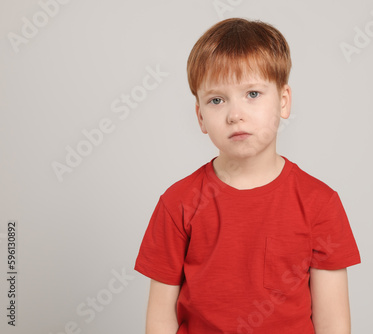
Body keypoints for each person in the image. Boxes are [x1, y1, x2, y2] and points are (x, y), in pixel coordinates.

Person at [135, 17, 361, 334]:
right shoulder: (178, 204)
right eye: (217, 100)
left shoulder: (319, 204)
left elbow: (333, 323)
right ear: (200, 116)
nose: (235, 114)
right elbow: (160, 319)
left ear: (283, 101)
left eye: (252, 94)